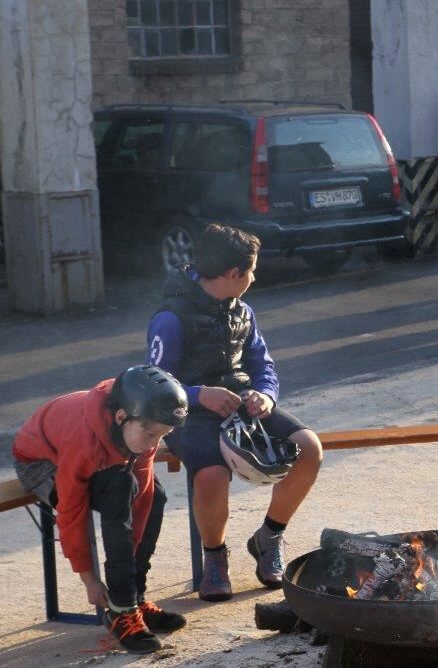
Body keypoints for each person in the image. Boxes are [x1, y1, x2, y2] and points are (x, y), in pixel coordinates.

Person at [148, 224, 323, 601]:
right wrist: (198, 395)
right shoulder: (170, 317)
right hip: (189, 415)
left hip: (243, 406)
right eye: (252, 270)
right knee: (211, 474)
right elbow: (155, 385)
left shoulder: (243, 310)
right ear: (233, 274)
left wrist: (265, 396)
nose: (254, 277)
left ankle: (269, 536)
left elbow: (264, 366)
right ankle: (215, 559)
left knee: (309, 447)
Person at [12, 365, 189, 653]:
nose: (154, 445)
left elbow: (143, 497)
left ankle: (135, 600)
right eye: (152, 436)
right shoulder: (82, 440)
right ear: (122, 418)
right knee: (119, 488)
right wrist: (89, 579)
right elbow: (71, 512)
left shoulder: (142, 425)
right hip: (42, 463)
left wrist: (131, 569)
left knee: (155, 494)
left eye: (163, 436)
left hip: (100, 453)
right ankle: (121, 612)